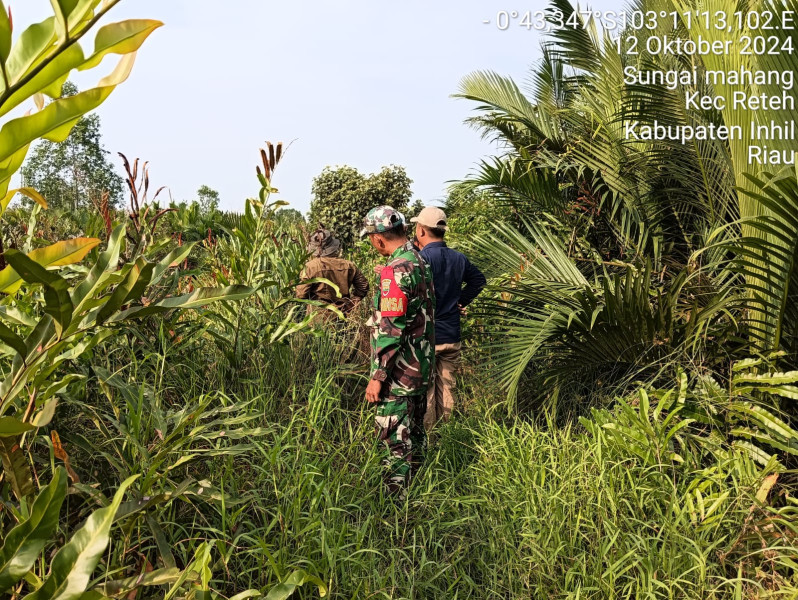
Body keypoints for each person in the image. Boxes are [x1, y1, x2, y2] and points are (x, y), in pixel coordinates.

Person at [360, 206, 435, 496]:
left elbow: (391, 330)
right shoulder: (419, 260)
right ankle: (419, 496)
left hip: (398, 375)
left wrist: (378, 376)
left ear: (378, 239)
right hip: (420, 369)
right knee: (415, 435)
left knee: (395, 442)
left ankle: (395, 505)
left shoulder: (396, 269)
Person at [411, 206, 486, 430]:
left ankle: (430, 438)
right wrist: (460, 301)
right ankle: (448, 436)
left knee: (427, 391)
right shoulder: (458, 258)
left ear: (421, 230)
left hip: (427, 337)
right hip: (451, 336)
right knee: (447, 388)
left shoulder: (420, 259)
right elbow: (478, 280)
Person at [296, 227, 369, 316]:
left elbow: (301, 294)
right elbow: (363, 286)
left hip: (317, 315)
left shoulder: (310, 267)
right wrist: (352, 303)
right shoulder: (348, 265)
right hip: (344, 313)